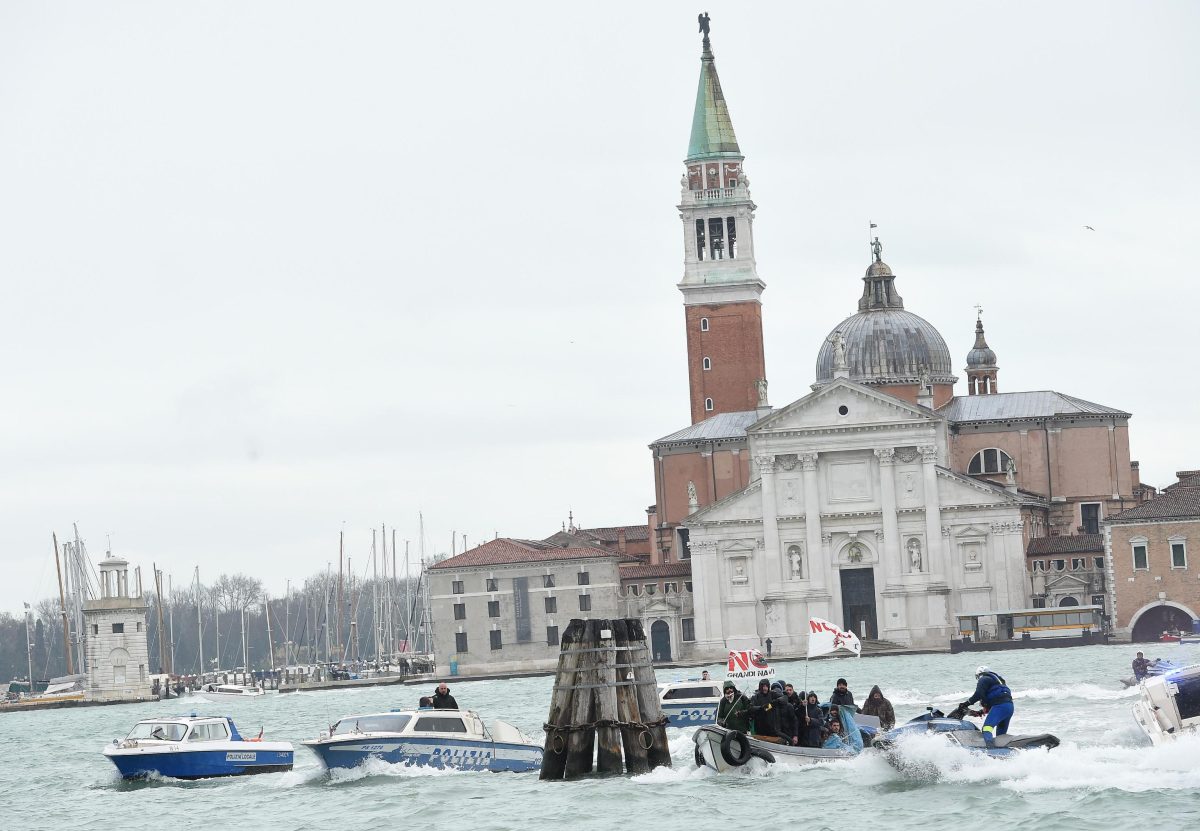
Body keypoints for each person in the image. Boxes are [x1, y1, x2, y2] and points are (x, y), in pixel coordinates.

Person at [962, 666, 1014, 746]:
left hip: (1000, 707)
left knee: (986, 729)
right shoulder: (998, 682)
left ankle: (990, 749)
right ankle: (1002, 751)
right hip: (1009, 707)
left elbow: (978, 694)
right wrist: (981, 712)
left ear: (979, 675)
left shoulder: (983, 678)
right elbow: (999, 699)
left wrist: (966, 703)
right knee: (1001, 735)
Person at [771, 681, 800, 746]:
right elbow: (763, 709)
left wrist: (795, 735)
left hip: (787, 732)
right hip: (776, 733)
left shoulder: (789, 706)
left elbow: (794, 721)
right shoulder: (772, 705)